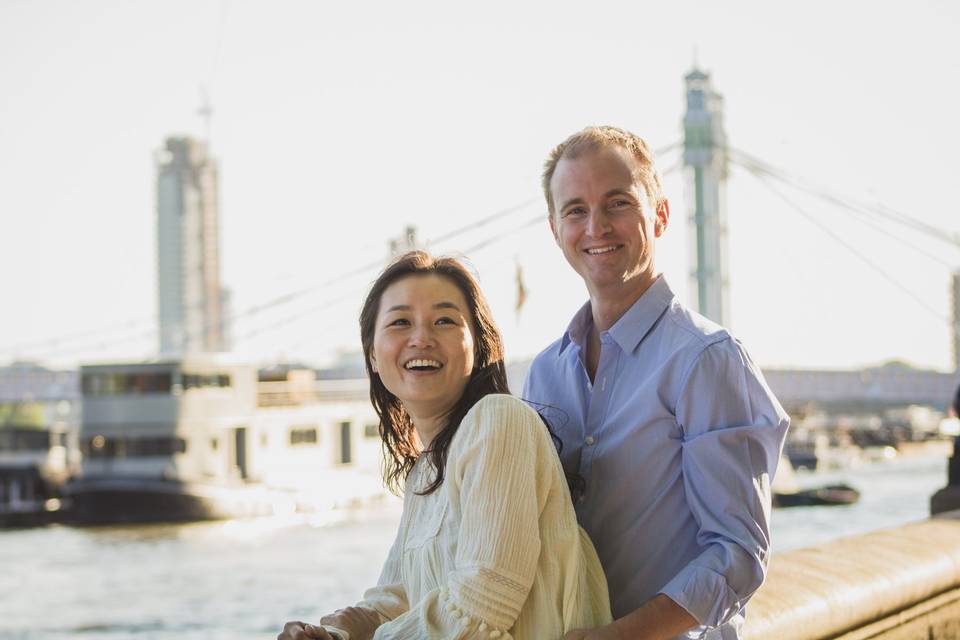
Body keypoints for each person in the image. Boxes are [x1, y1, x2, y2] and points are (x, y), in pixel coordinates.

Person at [522, 126, 790, 640]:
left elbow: (737, 552)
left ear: (660, 215)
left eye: (617, 203)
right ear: (556, 231)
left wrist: (621, 635)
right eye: (575, 210)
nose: (596, 226)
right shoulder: (544, 373)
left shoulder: (707, 359)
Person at [279, 251, 611, 640]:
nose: (421, 337)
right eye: (401, 322)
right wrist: (331, 633)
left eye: (444, 321)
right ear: (372, 355)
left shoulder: (498, 420)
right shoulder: (424, 474)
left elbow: (484, 601)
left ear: (479, 346)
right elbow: (396, 600)